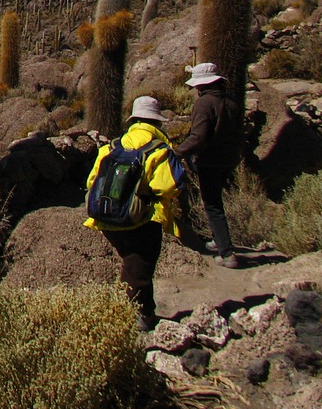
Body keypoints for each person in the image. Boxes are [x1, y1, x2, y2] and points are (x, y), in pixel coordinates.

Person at [84, 96, 186, 330]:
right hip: (140, 218)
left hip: (105, 216)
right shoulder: (159, 149)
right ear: (156, 123)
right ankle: (136, 317)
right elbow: (169, 185)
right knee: (140, 265)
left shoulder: (113, 146)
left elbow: (92, 179)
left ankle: (142, 313)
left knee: (131, 262)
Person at [174, 62, 242, 268]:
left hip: (210, 160)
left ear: (201, 85)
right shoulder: (231, 102)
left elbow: (199, 136)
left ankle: (227, 253)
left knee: (212, 205)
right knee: (216, 200)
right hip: (228, 159)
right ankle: (218, 240)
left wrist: (177, 152)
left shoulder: (204, 104)